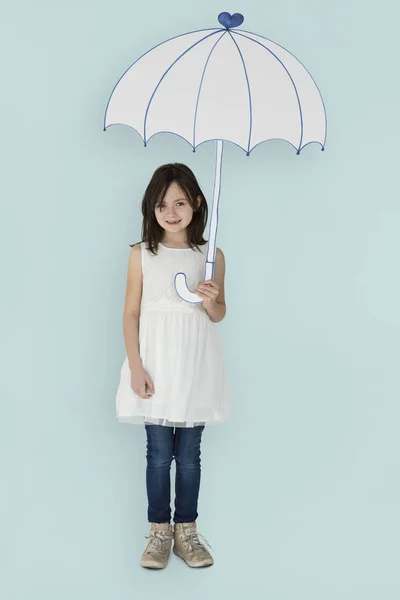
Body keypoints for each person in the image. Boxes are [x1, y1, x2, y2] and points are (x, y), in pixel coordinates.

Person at [116, 162, 231, 570]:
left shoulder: (211, 254)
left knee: (192, 454)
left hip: (195, 365)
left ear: (198, 204)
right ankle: (158, 532)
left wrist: (212, 296)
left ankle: (187, 530)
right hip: (156, 365)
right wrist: (136, 367)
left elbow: (217, 314)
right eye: (162, 204)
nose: (171, 211)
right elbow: (131, 314)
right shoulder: (142, 254)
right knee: (159, 453)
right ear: (151, 209)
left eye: (180, 202)